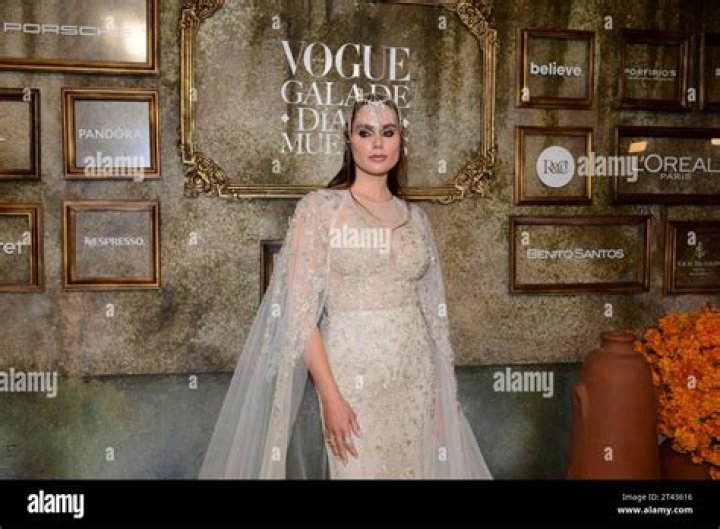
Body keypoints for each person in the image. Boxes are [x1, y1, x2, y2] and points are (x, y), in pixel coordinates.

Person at [199, 93, 492, 479]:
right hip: (353, 380)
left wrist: (443, 399)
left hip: (416, 380)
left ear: (401, 140)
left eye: (388, 132)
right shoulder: (320, 209)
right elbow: (299, 314)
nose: (377, 143)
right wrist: (330, 397)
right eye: (365, 132)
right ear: (348, 139)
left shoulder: (416, 218)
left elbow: (434, 320)